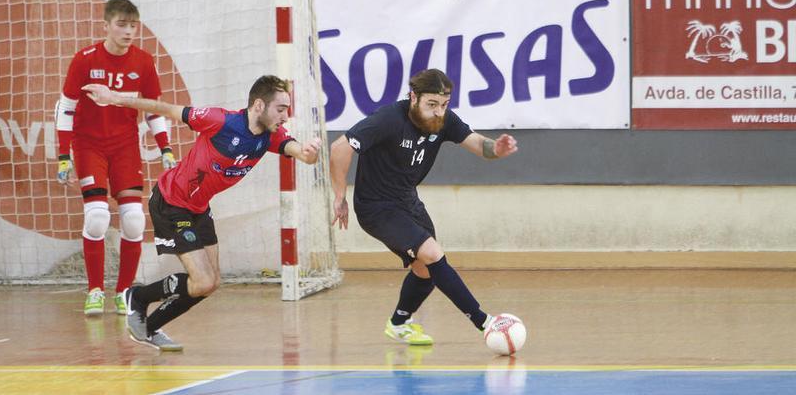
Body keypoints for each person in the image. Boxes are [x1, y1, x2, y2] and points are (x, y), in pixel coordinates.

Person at [82, 75, 321, 351]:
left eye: (288, 109)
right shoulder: (221, 121)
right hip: (171, 202)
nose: (285, 115)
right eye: (280, 108)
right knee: (202, 280)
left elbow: (302, 155)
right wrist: (115, 98)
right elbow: (167, 109)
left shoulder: (271, 136)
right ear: (258, 105)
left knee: (210, 283)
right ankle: (138, 296)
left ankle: (149, 327)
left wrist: (310, 152)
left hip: (198, 207)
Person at [329, 69, 518, 346]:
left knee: (427, 269)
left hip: (408, 201)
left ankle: (399, 323)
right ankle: (485, 322)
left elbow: (477, 143)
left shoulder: (443, 121)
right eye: (432, 105)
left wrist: (496, 150)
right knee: (432, 253)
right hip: (376, 206)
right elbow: (340, 148)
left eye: (444, 105)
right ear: (413, 97)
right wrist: (339, 196)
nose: (438, 112)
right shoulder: (388, 119)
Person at [55, 0, 178, 316]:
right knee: (96, 217)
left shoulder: (143, 61)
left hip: (124, 146)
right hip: (88, 145)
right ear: (106, 26)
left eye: (133, 25)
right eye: (121, 25)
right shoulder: (84, 60)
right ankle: (95, 290)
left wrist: (165, 146)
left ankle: (125, 292)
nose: (128, 31)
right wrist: (63, 154)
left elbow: (154, 109)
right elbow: (66, 107)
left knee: (135, 221)